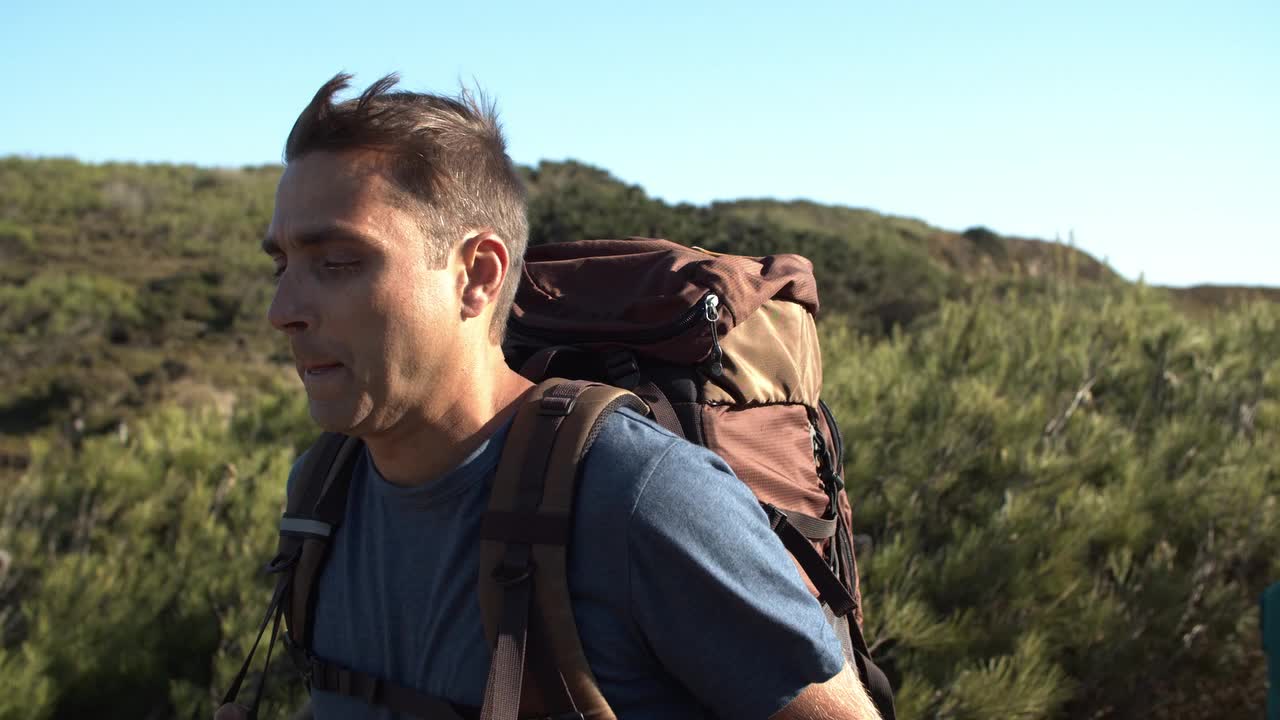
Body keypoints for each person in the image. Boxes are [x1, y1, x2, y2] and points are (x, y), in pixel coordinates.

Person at [219, 72, 882, 720]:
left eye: (337, 262)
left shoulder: (640, 496)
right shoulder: (323, 494)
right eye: (281, 265)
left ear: (477, 276)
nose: (283, 311)